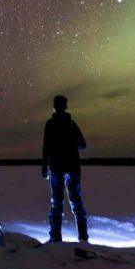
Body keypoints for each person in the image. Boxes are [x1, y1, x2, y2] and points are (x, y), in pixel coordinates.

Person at [41, 94, 88, 242]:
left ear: (54, 107)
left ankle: (55, 237)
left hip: (57, 166)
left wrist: (45, 166)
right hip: (72, 166)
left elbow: (46, 147)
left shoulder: (50, 124)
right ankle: (83, 237)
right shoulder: (72, 124)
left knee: (57, 202)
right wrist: (71, 146)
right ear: (65, 106)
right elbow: (83, 144)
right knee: (76, 201)